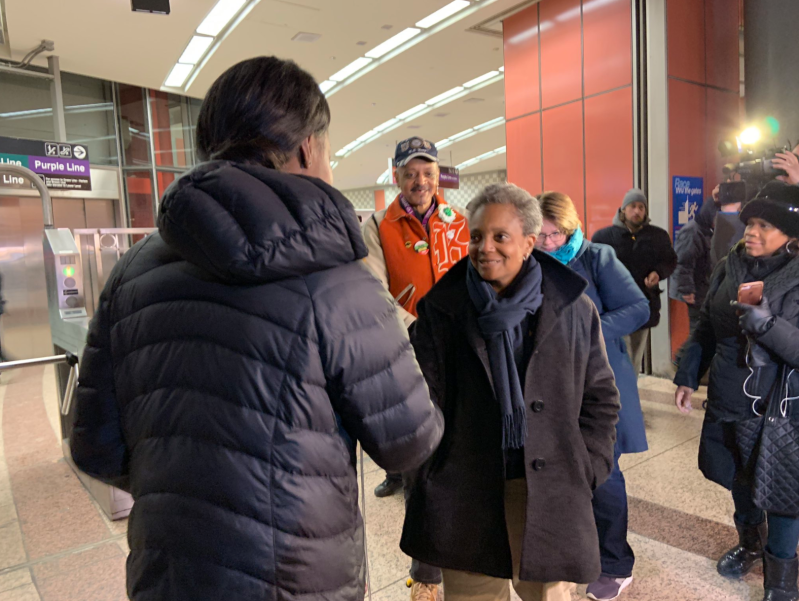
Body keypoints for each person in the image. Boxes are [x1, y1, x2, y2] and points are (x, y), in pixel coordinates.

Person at [69, 57, 443, 601]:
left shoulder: (132, 270)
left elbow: (95, 447)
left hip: (170, 572)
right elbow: (409, 439)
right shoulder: (337, 275)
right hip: (299, 574)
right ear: (308, 148)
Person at [402, 183, 621, 601]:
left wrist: (588, 466)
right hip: (464, 492)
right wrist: (427, 476)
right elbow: (418, 407)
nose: (485, 248)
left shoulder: (573, 309)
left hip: (549, 492)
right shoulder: (441, 312)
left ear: (528, 243)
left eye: (500, 236)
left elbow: (601, 398)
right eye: (476, 236)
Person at [674, 181, 799, 601]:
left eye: (765, 225)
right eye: (751, 222)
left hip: (782, 407)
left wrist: (767, 325)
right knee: (738, 481)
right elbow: (707, 326)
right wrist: (688, 372)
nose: (752, 232)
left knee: (782, 493)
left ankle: (781, 582)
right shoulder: (730, 266)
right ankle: (750, 544)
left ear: (791, 235)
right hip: (730, 396)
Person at [536, 192, 649, 601]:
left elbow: (638, 309)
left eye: (556, 234)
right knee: (564, 473)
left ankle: (616, 563)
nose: (549, 243)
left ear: (571, 229)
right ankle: (579, 551)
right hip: (552, 386)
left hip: (598, 382)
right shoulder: (530, 264)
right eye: (540, 235)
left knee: (604, 473)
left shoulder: (597, 257)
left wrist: (587, 328)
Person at [362, 137, 470, 503]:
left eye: (427, 173)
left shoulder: (459, 222)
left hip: (457, 338)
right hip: (407, 339)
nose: (419, 182)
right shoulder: (378, 226)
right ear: (396, 177)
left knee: (454, 413)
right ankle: (407, 482)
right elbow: (374, 288)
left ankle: (449, 486)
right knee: (407, 420)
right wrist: (417, 325)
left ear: (438, 175)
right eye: (410, 174)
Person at [592, 189, 677, 371]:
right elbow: (594, 268)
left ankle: (631, 387)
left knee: (635, 359)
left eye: (641, 207)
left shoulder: (658, 236)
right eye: (632, 206)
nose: (637, 211)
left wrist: (658, 273)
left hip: (644, 304)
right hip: (615, 307)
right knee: (621, 356)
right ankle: (621, 387)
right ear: (623, 209)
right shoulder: (603, 237)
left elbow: (670, 260)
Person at [670, 198, 716, 364]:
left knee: (704, 328)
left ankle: (691, 362)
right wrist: (687, 290)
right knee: (699, 330)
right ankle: (682, 359)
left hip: (705, 288)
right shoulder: (693, 231)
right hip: (696, 289)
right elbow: (682, 262)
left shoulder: (708, 231)